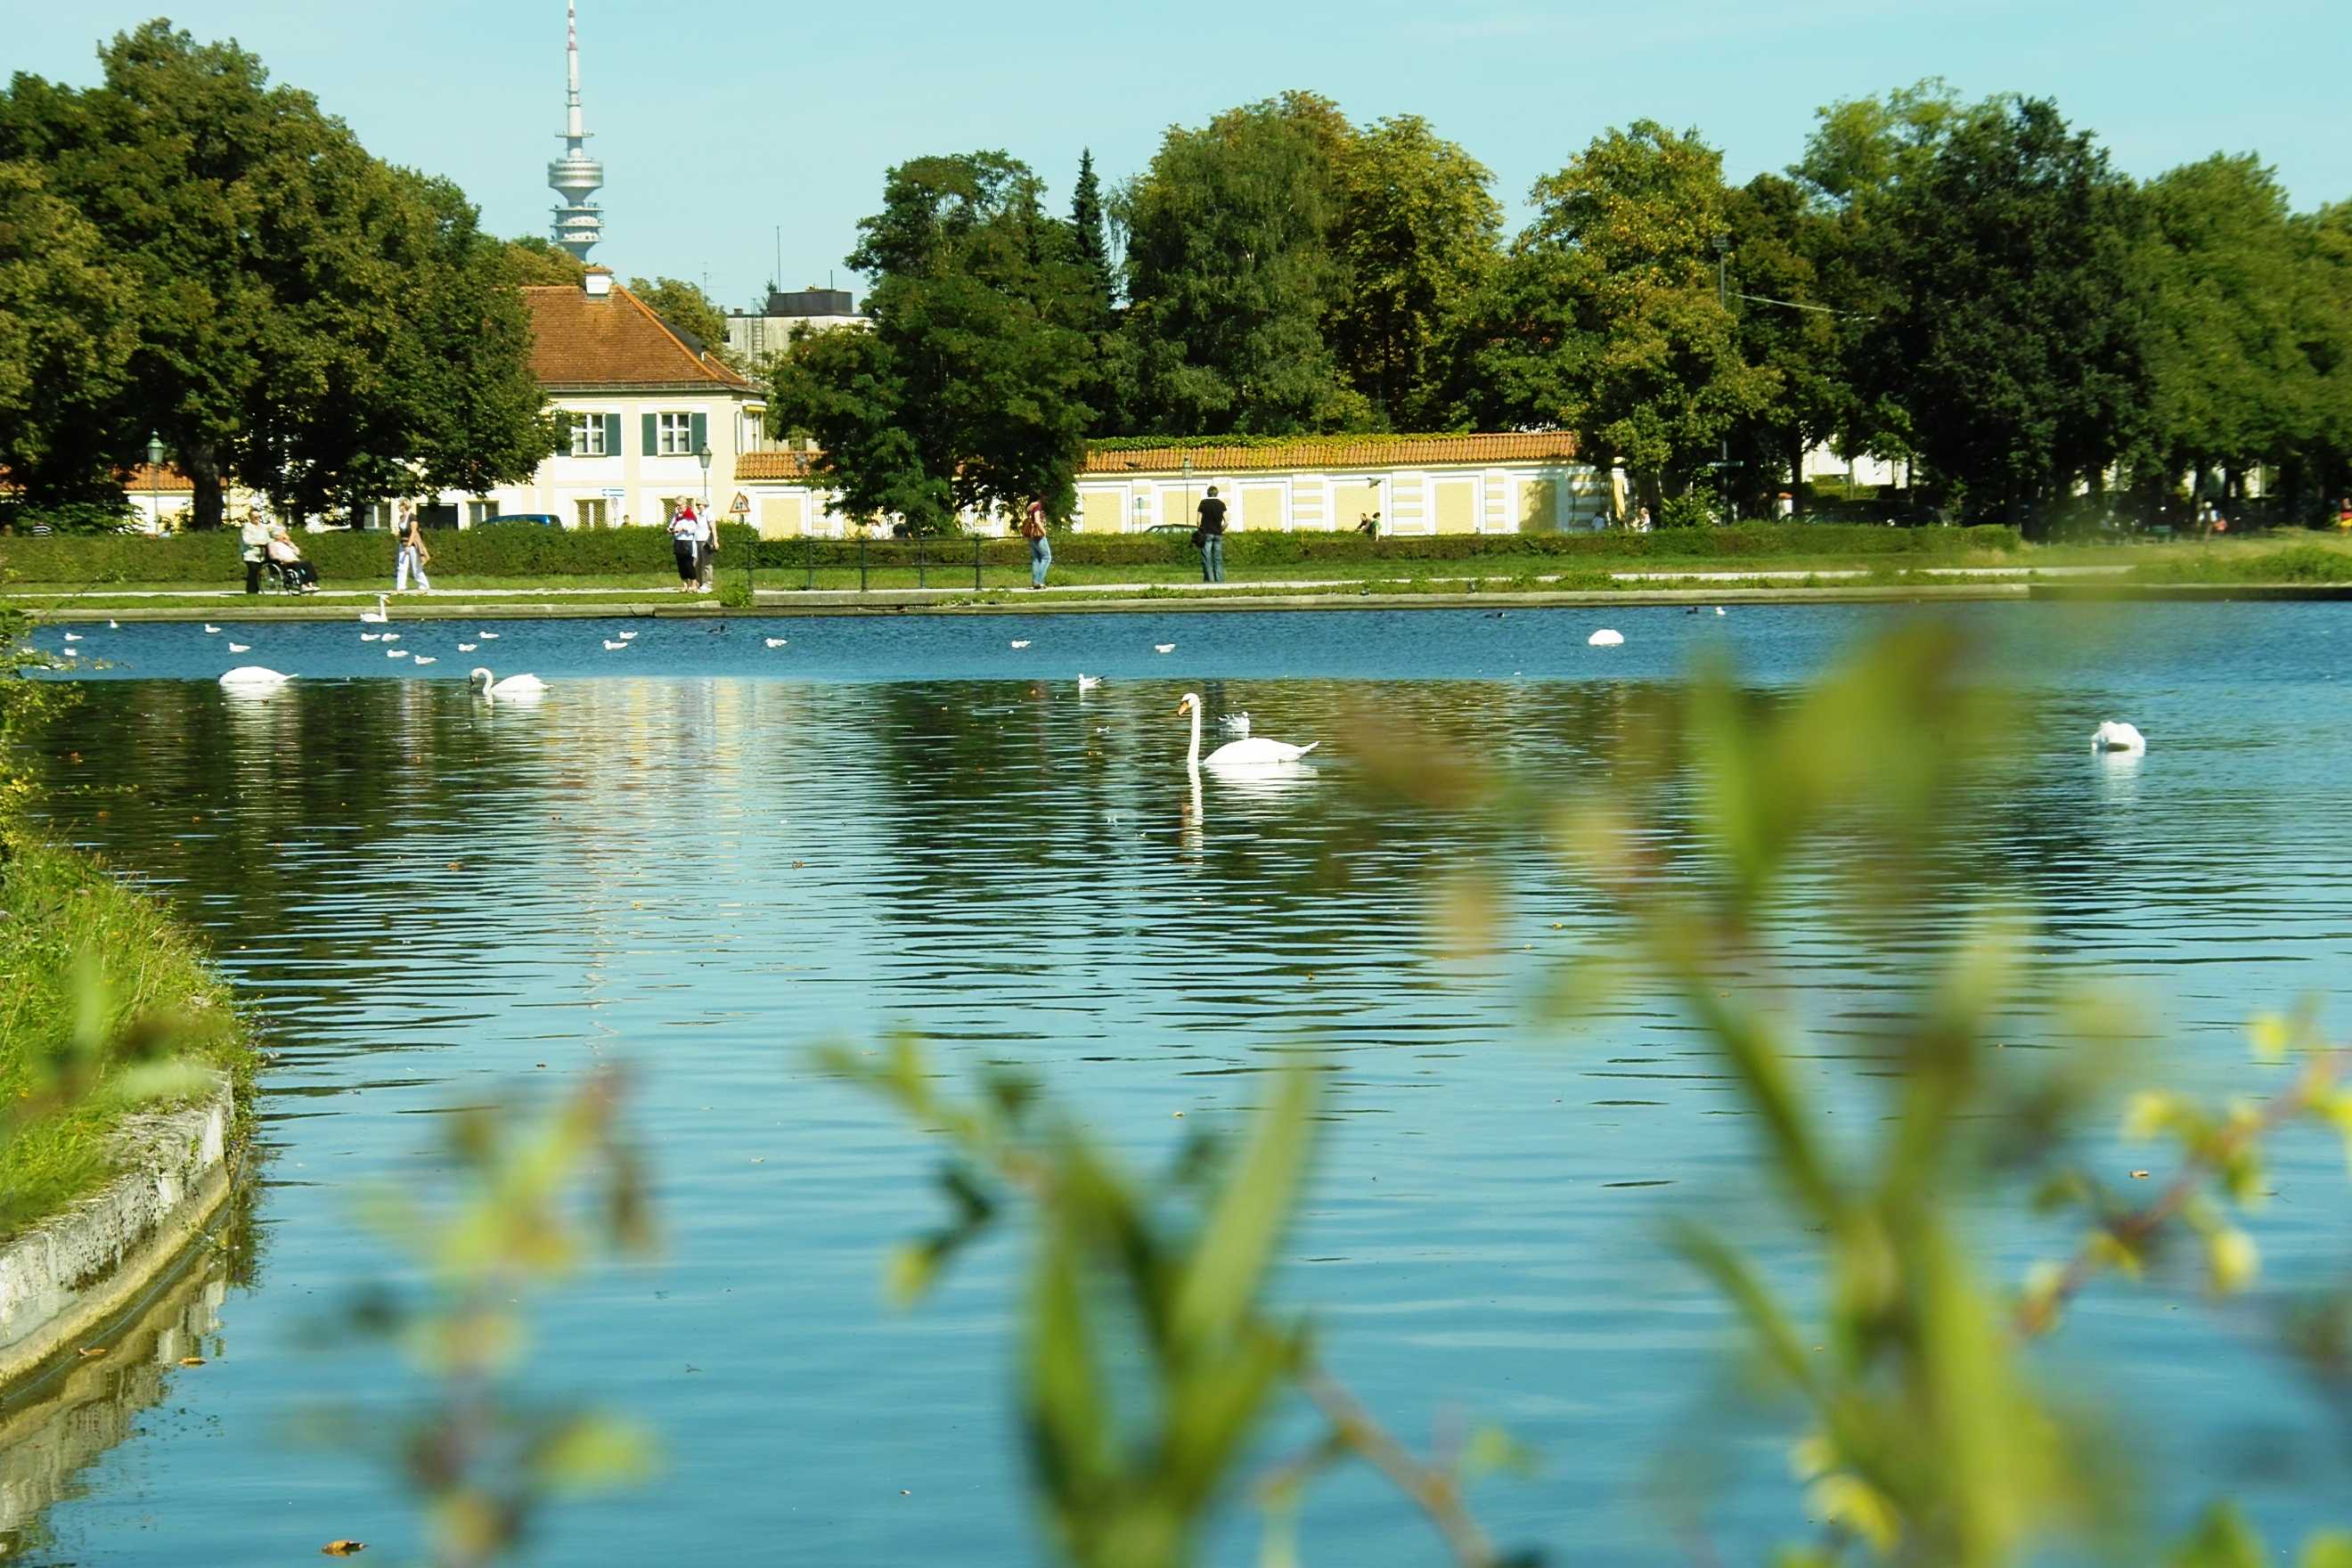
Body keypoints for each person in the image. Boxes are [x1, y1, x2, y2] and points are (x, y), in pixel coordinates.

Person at [265, 524, 319, 592]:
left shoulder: (287, 543)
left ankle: (310, 584)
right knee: (297, 565)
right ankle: (302, 586)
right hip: (284, 563)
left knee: (308, 563)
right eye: (283, 533)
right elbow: (273, 555)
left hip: (294, 561)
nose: (285, 535)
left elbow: (297, 552)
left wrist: (290, 543)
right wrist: (284, 559)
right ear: (277, 536)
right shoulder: (272, 544)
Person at [395, 505, 432, 593]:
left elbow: (414, 532)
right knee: (401, 567)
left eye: (400, 505)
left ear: (404, 506)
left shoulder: (412, 517)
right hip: (402, 543)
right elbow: (403, 531)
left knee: (416, 567)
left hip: (412, 545)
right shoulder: (401, 517)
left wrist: (409, 545)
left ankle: (424, 586)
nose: (399, 507)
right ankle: (400, 588)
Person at [669, 501, 705, 590]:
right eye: (677, 505)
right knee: (680, 564)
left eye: (680, 505)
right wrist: (670, 529)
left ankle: (694, 583)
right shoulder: (676, 516)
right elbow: (671, 525)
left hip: (687, 541)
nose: (678, 507)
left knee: (688, 564)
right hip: (678, 541)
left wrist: (683, 528)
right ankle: (685, 585)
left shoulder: (690, 515)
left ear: (685, 505)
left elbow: (694, 528)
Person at [1196, 485, 1227, 584]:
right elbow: (1226, 522)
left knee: (1207, 557)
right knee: (1218, 558)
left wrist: (1200, 530)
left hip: (1207, 533)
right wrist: (1220, 530)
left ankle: (1209, 579)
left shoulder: (1203, 503)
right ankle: (1219, 580)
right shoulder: (1221, 504)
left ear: (1207, 493)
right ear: (1217, 493)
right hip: (1218, 534)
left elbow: (1198, 521)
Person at [240, 511, 272, 594]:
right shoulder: (247, 527)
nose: (257, 519)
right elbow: (246, 540)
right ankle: (251, 591)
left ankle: (256, 590)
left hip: (261, 553)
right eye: (255, 517)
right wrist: (259, 543)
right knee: (253, 570)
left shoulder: (263, 527)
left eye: (259, 517)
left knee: (258, 571)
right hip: (250, 553)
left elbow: (268, 539)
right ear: (250, 518)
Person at [1023, 498, 1051, 589]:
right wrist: (1044, 531)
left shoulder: (1030, 507)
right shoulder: (1037, 506)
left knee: (1036, 559)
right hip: (1038, 535)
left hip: (1031, 535)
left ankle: (1035, 582)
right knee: (1047, 557)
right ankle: (1038, 581)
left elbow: (1029, 518)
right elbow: (1037, 521)